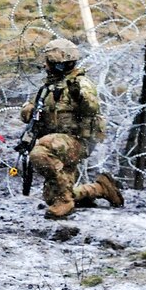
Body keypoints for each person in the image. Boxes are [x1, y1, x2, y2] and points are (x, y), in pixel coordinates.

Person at [20, 38, 122, 219]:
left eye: (49, 62)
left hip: (77, 141)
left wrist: (79, 95)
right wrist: (30, 110)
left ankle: (66, 201)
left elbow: (91, 108)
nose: (45, 65)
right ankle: (100, 188)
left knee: (39, 152)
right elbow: (31, 110)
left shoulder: (80, 84)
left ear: (58, 64)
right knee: (51, 197)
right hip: (58, 144)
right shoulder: (49, 86)